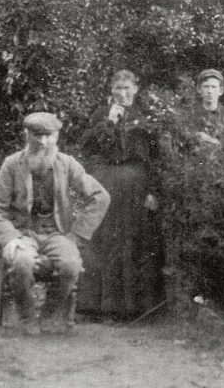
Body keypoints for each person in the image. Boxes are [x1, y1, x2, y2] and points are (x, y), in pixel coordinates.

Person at [0, 112, 110, 335]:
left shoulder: (67, 164)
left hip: (57, 233)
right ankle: (26, 316)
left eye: (48, 136)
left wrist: (77, 234)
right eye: (37, 135)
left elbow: (100, 196)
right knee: (22, 261)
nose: (43, 142)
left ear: (57, 137)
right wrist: (9, 237)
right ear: (27, 135)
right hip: (23, 233)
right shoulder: (12, 165)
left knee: (71, 264)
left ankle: (50, 314)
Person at [80, 69, 165, 317]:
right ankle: (97, 306)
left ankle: (130, 309)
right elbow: (87, 146)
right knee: (104, 241)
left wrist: (153, 190)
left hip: (135, 187)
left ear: (136, 90)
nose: (123, 93)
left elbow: (155, 158)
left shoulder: (145, 117)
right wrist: (109, 122)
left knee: (133, 242)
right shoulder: (100, 114)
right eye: (118, 89)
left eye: (128, 89)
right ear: (112, 90)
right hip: (106, 185)